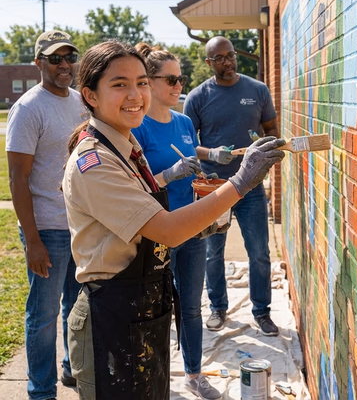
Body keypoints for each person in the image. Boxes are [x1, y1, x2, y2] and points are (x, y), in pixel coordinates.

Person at [62, 41, 285, 400]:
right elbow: (166, 229)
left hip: (139, 309)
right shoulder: (96, 161)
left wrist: (207, 222)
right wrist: (240, 182)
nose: (135, 94)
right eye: (119, 84)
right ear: (89, 95)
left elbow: (155, 223)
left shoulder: (126, 146)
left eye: (141, 82)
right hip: (112, 319)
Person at [131, 43, 222, 400]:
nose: (178, 86)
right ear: (149, 83)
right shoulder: (139, 127)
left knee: (192, 305)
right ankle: (153, 377)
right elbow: (134, 183)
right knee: (155, 307)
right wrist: (169, 174)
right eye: (170, 79)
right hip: (157, 229)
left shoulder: (184, 122)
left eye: (181, 78)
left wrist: (204, 179)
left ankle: (195, 374)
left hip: (192, 227)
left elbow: (192, 170)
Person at [6, 30, 85, 400]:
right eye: (55, 59)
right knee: (43, 316)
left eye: (69, 57)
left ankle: (71, 368)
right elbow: (18, 180)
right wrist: (32, 240)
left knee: (76, 306)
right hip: (48, 230)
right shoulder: (28, 108)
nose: (64, 65)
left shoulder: (79, 101)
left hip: (80, 225)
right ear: (38, 63)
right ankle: (41, 390)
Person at [183, 36, 280, 334]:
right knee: (214, 253)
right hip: (215, 189)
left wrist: (263, 145)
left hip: (250, 188)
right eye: (220, 58)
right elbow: (187, 145)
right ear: (209, 63)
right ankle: (217, 308)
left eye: (230, 55)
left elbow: (272, 130)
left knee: (259, 251)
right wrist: (212, 154)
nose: (228, 61)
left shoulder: (257, 90)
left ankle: (262, 312)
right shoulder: (197, 97)